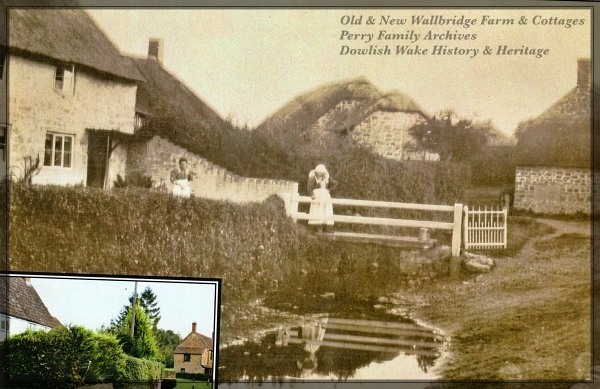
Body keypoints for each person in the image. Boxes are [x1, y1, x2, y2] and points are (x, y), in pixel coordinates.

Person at [307, 164, 338, 232]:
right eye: (319, 173)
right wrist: (312, 194)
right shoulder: (312, 178)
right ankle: (316, 227)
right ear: (316, 172)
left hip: (325, 196)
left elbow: (335, 183)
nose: (320, 175)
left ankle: (327, 227)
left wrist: (329, 190)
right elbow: (309, 187)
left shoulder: (327, 178)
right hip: (317, 196)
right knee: (316, 211)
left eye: (322, 173)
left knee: (326, 210)